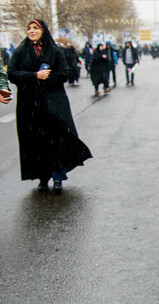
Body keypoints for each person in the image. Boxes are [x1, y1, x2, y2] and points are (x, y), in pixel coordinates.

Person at [7, 19, 91, 193]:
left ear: (43, 30)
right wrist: (34, 76)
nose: (31, 31)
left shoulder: (54, 51)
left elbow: (64, 73)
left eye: (35, 28)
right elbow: (12, 73)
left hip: (53, 102)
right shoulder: (21, 51)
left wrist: (48, 78)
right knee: (35, 142)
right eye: (28, 28)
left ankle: (58, 176)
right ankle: (42, 177)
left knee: (56, 139)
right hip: (29, 105)